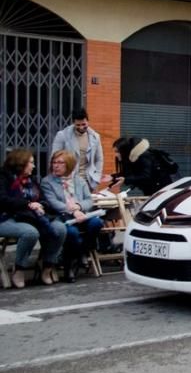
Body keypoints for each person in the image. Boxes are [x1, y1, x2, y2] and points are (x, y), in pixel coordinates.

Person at [0, 148, 67, 287]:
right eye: (31, 162)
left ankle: (47, 265)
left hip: (31, 217)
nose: (34, 166)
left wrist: (41, 205)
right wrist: (28, 204)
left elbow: (42, 200)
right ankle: (19, 269)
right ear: (21, 163)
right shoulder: (4, 177)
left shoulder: (31, 180)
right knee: (30, 232)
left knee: (60, 228)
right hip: (7, 218)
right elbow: (3, 200)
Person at [41, 150, 103, 282]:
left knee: (97, 223)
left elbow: (89, 200)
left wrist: (79, 207)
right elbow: (53, 203)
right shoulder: (47, 182)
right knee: (72, 233)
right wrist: (73, 211)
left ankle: (83, 251)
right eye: (54, 162)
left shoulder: (79, 180)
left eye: (60, 163)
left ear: (69, 165)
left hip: (82, 214)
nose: (55, 166)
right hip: (62, 217)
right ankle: (69, 267)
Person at [50, 107, 112, 192]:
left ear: (87, 121)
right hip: (67, 180)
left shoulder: (95, 137)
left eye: (84, 124)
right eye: (78, 125)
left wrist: (96, 177)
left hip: (88, 181)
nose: (81, 127)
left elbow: (99, 159)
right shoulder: (62, 135)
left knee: (87, 204)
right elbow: (54, 158)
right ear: (73, 123)